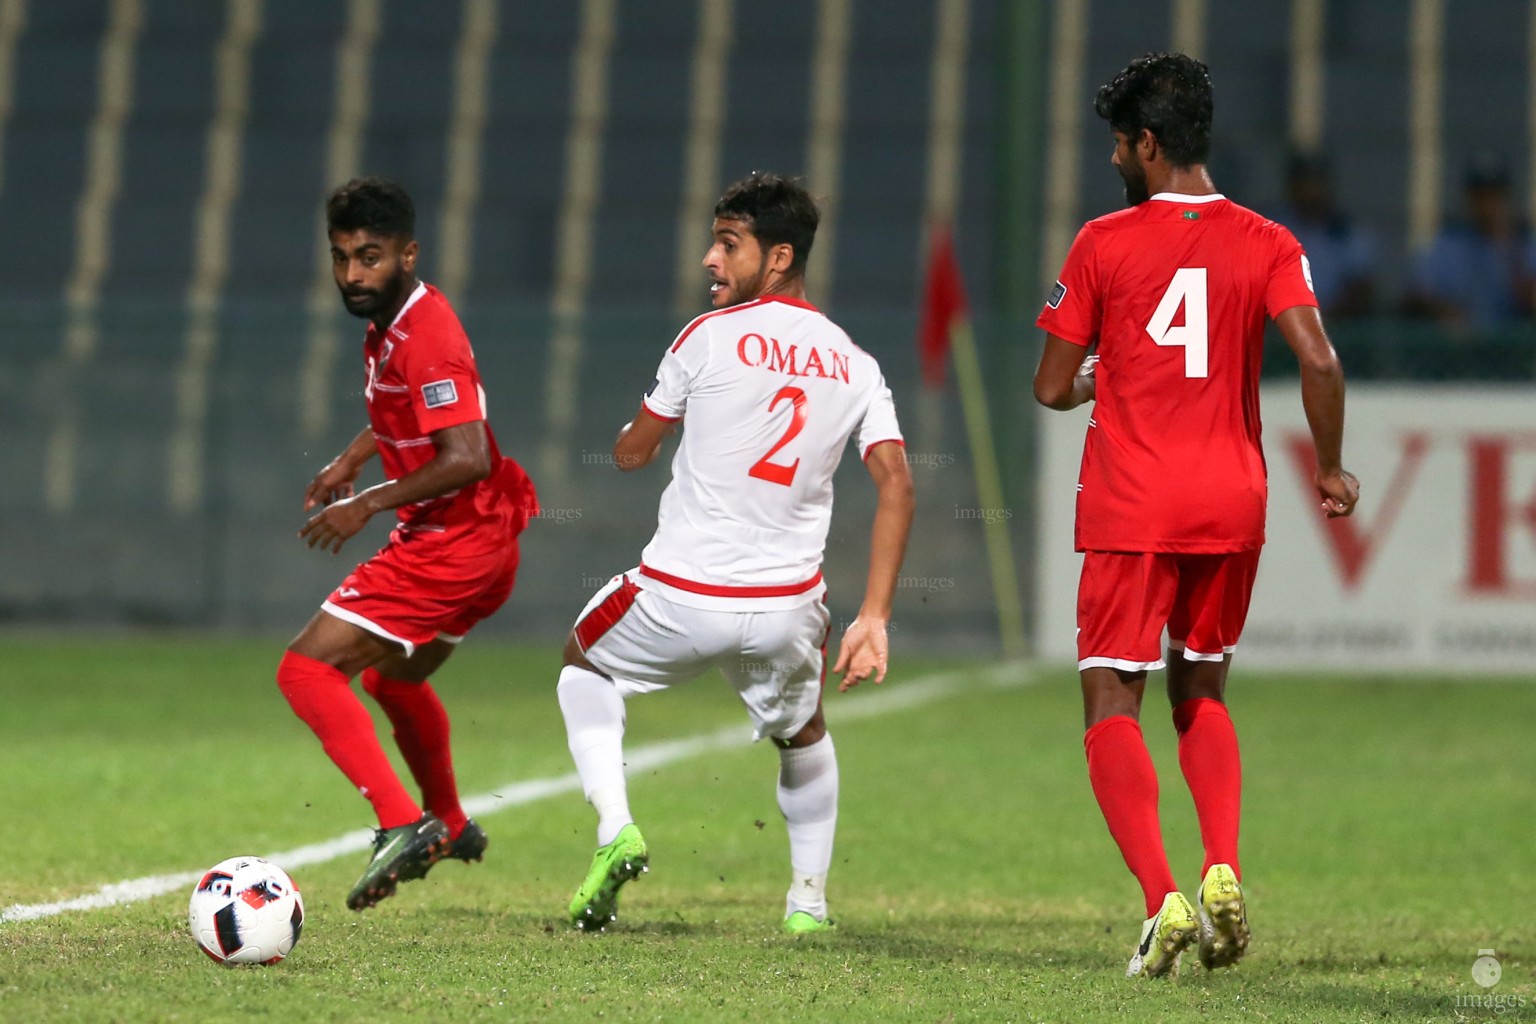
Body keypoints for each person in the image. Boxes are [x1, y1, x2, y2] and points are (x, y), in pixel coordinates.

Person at [1032, 54, 1359, 978]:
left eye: (1118, 145)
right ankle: (1223, 866)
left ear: (1146, 143)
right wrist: (1329, 467)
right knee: (1202, 692)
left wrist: (1109, 375)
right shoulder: (1267, 239)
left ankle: (1160, 900)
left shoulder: (1103, 242)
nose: (1112, 162)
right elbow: (1323, 364)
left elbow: (1053, 386)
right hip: (1232, 496)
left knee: (1111, 698)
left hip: (1135, 499)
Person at [554, 172, 913, 934]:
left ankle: (615, 827)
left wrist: (640, 430)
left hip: (680, 594)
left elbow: (631, 454)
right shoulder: (856, 362)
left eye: (728, 244)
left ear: (778, 257)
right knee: (804, 731)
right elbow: (898, 486)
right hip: (787, 608)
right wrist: (875, 614)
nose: (710, 261)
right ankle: (808, 906)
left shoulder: (703, 338)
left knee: (583, 660)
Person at [275, 177, 537, 911]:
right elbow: (411, 413)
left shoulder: (427, 336)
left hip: (453, 540)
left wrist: (366, 502)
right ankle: (449, 824)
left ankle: (401, 823)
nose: (354, 275)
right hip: (488, 540)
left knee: (305, 672)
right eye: (341, 258)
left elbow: (466, 455)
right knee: (395, 681)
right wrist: (355, 456)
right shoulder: (396, 323)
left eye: (371, 257)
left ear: (408, 254)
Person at [1403, 154, 1536, 331]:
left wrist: (1508, 248)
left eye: (1494, 196)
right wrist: (1443, 311)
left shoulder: (1525, 243)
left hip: (1515, 350)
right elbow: (1415, 293)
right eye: (1480, 196)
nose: (1487, 205)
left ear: (1507, 197)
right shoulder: (1449, 242)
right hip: (1460, 351)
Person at [1272, 150, 1375, 318]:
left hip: (1334, 331)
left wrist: (1326, 318)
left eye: (1317, 183)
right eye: (1304, 184)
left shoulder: (1346, 233)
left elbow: (1362, 287)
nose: (1311, 191)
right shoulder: (1273, 228)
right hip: (1280, 327)